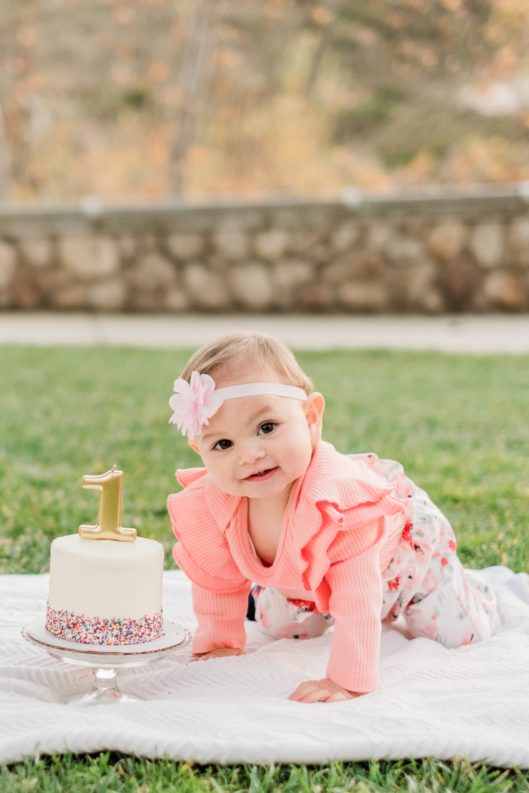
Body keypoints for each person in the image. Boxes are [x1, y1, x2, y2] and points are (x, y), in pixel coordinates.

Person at [167, 332, 498, 703]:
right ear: (200, 450)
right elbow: (216, 581)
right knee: (278, 625)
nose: (250, 454)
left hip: (401, 564)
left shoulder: (339, 505)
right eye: (223, 444)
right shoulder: (214, 503)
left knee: (456, 633)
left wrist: (346, 680)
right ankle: (291, 594)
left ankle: (475, 593)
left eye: (267, 427)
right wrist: (220, 645)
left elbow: (357, 597)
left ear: (310, 417)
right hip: (306, 583)